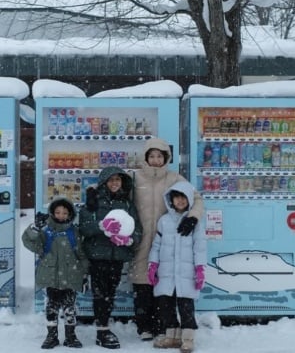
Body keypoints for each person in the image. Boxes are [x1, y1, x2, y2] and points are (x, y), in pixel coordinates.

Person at [130, 137, 204, 341]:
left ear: (166, 158)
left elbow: (196, 198)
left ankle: (163, 325)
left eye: (159, 156)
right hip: (142, 238)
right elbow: (118, 196)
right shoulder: (135, 178)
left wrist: (192, 217)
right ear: (145, 158)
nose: (155, 160)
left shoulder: (175, 178)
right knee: (142, 283)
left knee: (164, 285)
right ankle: (144, 325)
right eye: (151, 156)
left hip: (169, 241)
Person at [79, 166, 143, 349]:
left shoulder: (127, 204)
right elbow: (84, 226)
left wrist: (130, 240)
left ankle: (104, 328)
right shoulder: (93, 201)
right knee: (100, 294)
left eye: (118, 180)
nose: (115, 183)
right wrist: (103, 227)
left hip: (117, 256)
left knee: (110, 293)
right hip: (98, 255)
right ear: (104, 182)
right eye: (111, 180)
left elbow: (137, 228)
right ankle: (102, 330)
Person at [147, 181, 207, 353]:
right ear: (170, 200)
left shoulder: (194, 223)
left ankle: (188, 338)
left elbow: (200, 247)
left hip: (185, 274)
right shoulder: (164, 221)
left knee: (186, 307)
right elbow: (157, 245)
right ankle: (171, 336)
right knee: (166, 306)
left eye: (183, 198)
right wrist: (153, 264)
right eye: (176, 198)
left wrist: (200, 268)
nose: (180, 201)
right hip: (166, 274)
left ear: (189, 199)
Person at [22, 198, 89, 349]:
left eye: (65, 213)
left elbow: (81, 254)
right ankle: (51, 336)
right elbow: (28, 241)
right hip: (50, 276)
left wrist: (85, 275)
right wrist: (35, 228)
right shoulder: (45, 231)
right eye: (58, 212)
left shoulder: (74, 232)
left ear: (70, 214)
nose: (61, 215)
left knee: (70, 308)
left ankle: (71, 336)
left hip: (71, 276)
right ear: (52, 213)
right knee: (51, 307)